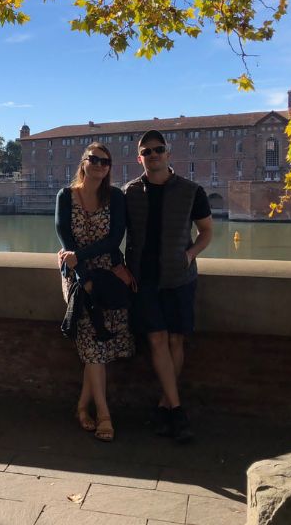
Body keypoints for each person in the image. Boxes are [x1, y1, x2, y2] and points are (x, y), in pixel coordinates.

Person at [124, 130, 213, 443]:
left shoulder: (192, 191)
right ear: (140, 158)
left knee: (176, 342)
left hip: (180, 278)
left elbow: (205, 232)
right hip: (144, 279)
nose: (153, 155)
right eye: (147, 152)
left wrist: (189, 254)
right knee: (157, 340)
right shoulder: (130, 192)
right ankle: (177, 410)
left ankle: (164, 407)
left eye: (158, 150)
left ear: (168, 154)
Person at [56, 143, 136, 442]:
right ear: (84, 162)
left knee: (97, 348)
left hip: (107, 272)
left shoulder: (115, 196)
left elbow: (116, 238)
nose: (101, 165)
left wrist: (83, 258)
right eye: (95, 160)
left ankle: (81, 407)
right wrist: (82, 275)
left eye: (106, 162)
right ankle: (104, 415)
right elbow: (64, 236)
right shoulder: (65, 196)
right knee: (93, 340)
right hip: (77, 275)